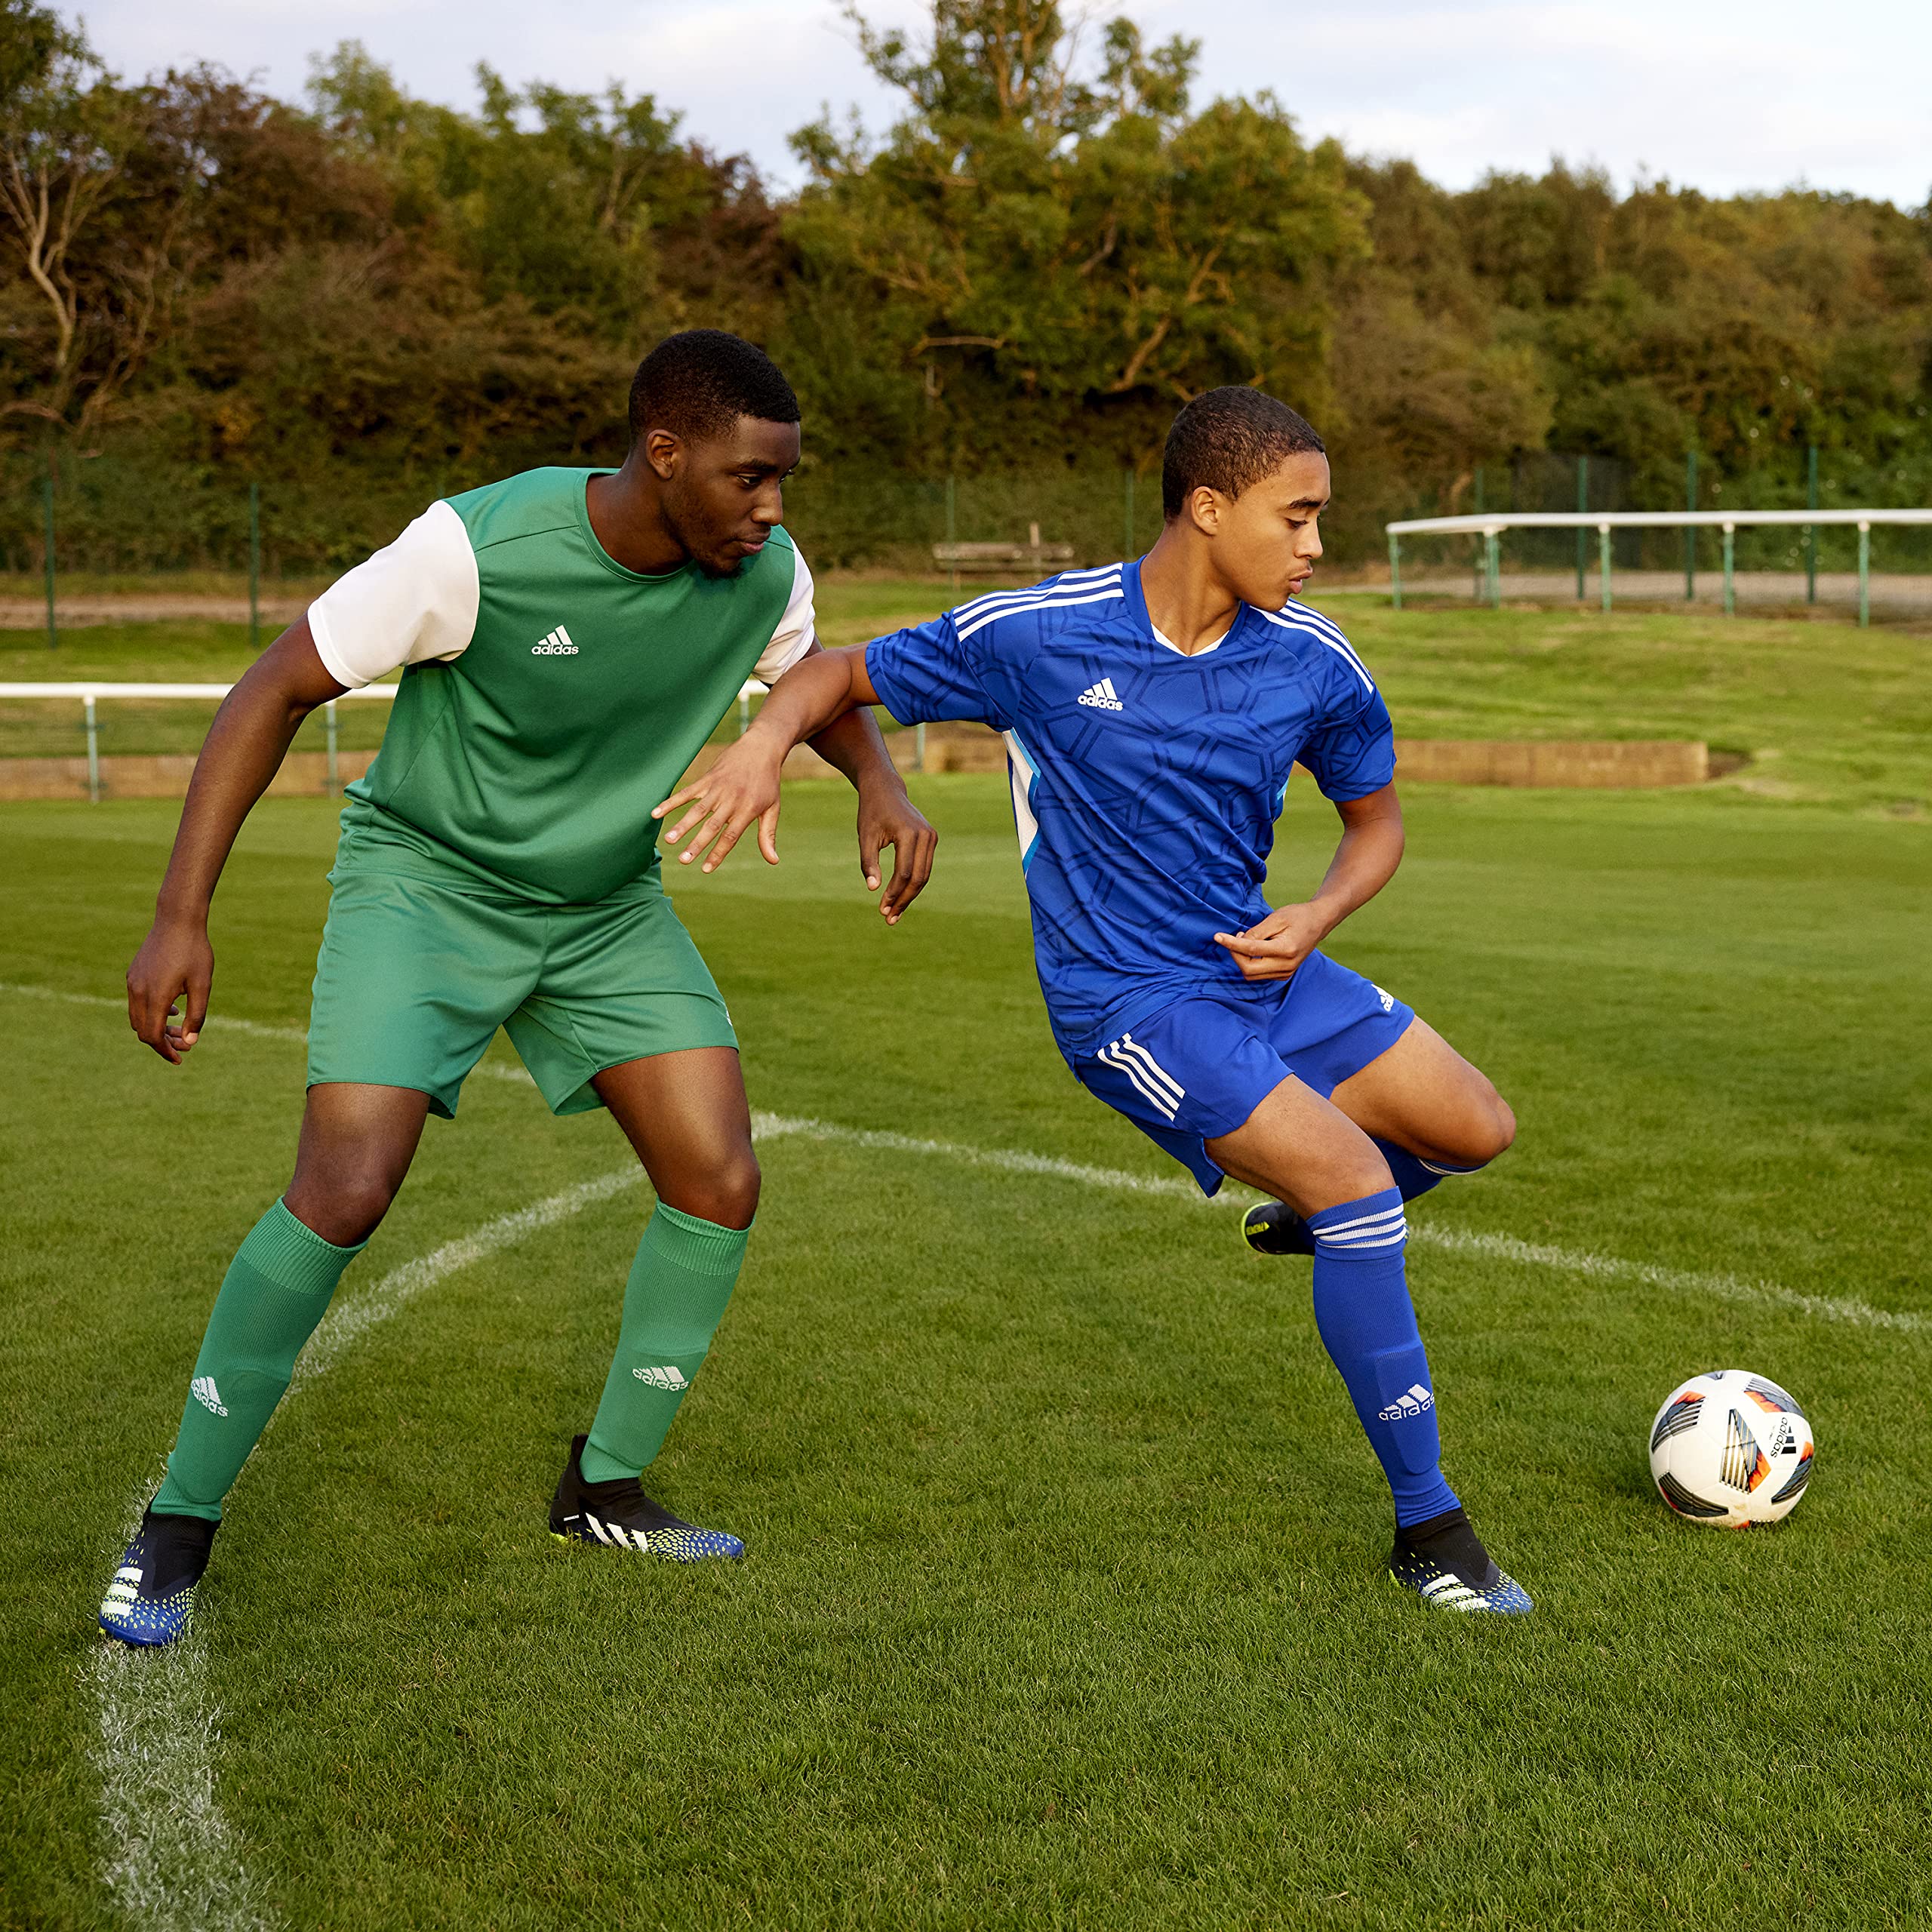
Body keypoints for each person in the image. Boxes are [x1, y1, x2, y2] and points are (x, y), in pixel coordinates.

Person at [100, 330, 937, 1647]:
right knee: (346, 1186)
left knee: (718, 1178)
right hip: (426, 888)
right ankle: (179, 1523)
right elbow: (275, 687)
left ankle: (604, 1486)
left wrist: (879, 781)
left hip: (604, 908)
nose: (772, 508)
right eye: (747, 479)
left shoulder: (764, 569)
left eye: (784, 482)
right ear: (663, 455)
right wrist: (177, 916)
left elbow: (812, 680)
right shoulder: (471, 549)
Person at [655, 386, 1531, 1614]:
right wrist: (765, 750)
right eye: (1300, 517)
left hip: (1260, 970)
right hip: (1127, 1000)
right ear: (1209, 507)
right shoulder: (1042, 634)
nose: (1317, 546)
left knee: (1478, 1128)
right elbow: (837, 672)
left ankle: (1314, 1219)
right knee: (1359, 1184)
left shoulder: (1313, 657)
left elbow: (1375, 821)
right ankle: (1431, 1530)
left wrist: (1320, 914)